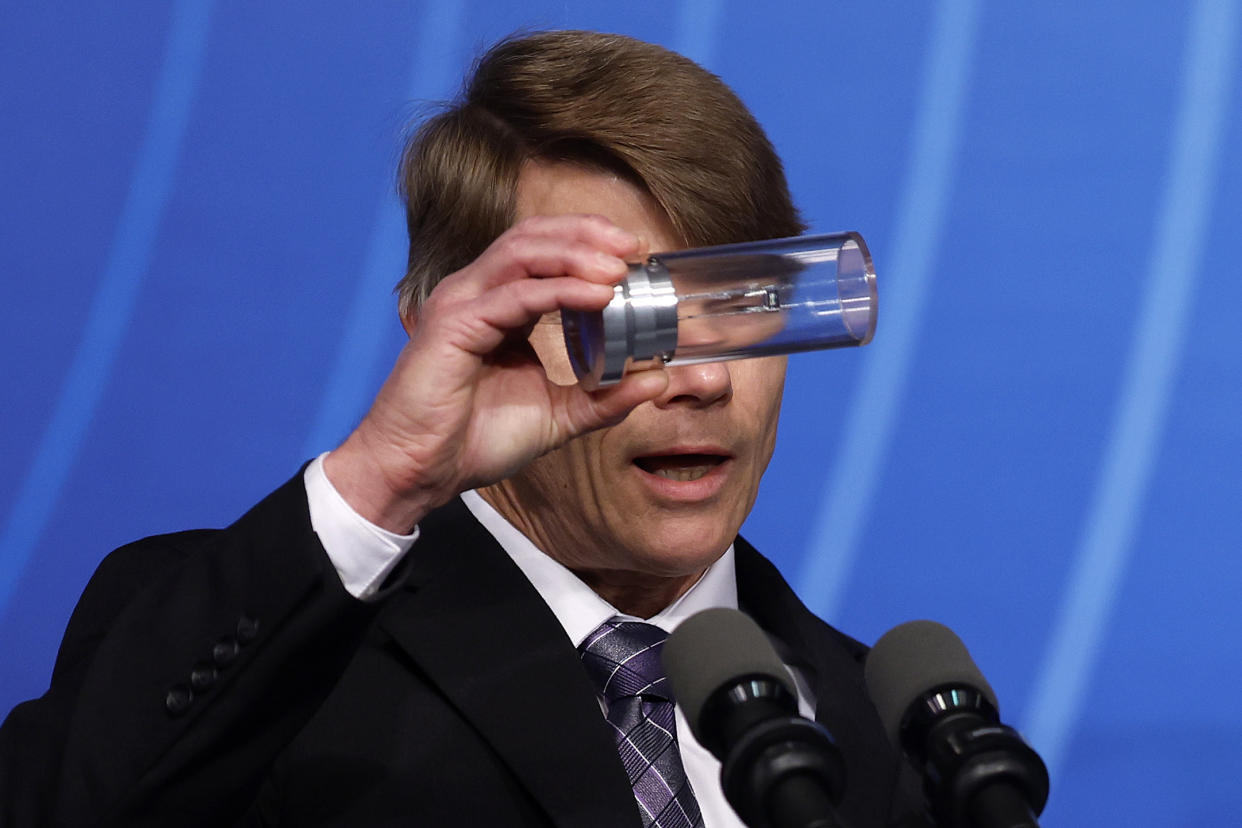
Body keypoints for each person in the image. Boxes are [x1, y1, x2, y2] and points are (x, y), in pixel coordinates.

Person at [0, 30, 928, 827]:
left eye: (739, 307)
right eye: (624, 320)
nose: (705, 379)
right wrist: (387, 475)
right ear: (455, 335)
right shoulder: (268, 661)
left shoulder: (898, 732)